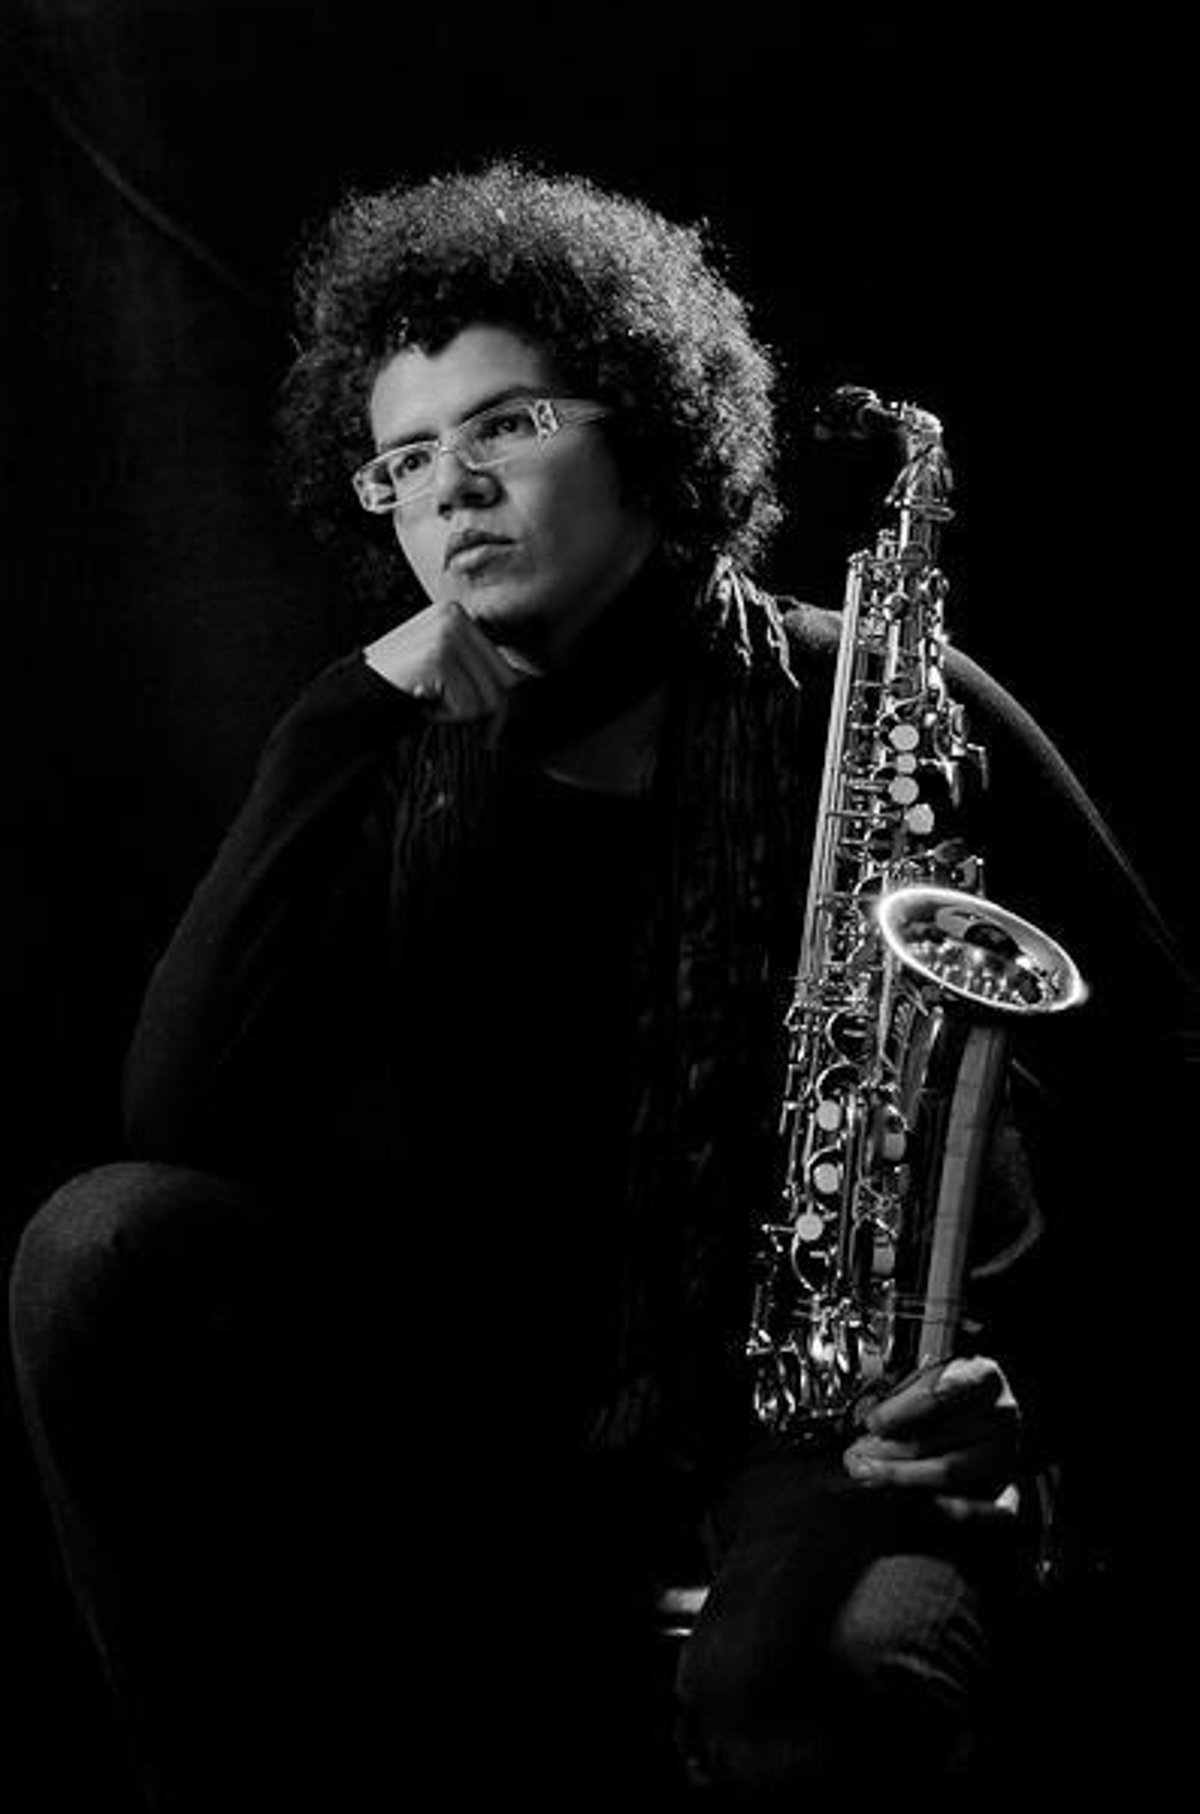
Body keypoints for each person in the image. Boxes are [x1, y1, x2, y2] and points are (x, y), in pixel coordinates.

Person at [8, 161, 1194, 1810]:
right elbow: (182, 1112)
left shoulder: (878, 699)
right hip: (494, 1424)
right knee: (97, 1248)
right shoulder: (384, 746)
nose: (451, 489)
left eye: (508, 423)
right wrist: (332, 721)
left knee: (824, 1684)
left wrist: (1020, 1400)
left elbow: (1166, 1079)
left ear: (645, 427)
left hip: (828, 1431)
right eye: (405, 459)